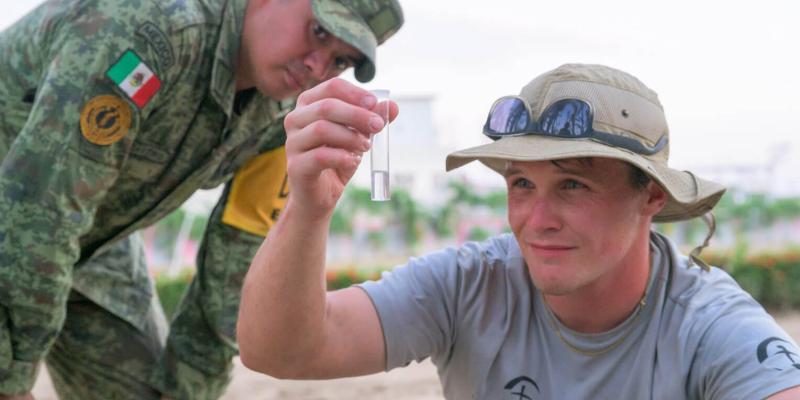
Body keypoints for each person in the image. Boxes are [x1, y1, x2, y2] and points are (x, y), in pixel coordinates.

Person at [238, 64, 800, 399]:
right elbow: (280, 352)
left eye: (573, 185)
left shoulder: (708, 325)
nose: (537, 218)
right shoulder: (470, 286)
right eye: (522, 184)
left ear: (651, 195)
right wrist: (309, 209)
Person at [0, 0, 403, 398]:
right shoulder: (149, 28)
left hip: (92, 239)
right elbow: (40, 208)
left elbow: (235, 259)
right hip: (26, 212)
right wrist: (11, 381)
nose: (318, 66)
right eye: (318, 31)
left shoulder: (285, 120)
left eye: (340, 61)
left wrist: (186, 390)